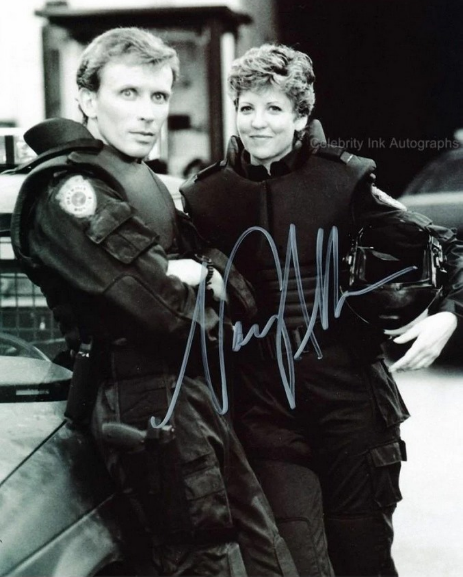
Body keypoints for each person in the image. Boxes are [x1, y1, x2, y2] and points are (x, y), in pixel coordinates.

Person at [10, 29, 299, 577]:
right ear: (88, 99)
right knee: (204, 558)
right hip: (143, 397)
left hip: (190, 390)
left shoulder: (140, 181)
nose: (148, 113)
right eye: (129, 93)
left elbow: (234, 286)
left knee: (262, 550)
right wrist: (189, 284)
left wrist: (195, 274)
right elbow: (164, 311)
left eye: (159, 96)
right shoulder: (69, 188)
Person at [181, 43, 463, 576]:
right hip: (266, 413)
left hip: (351, 408)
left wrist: (449, 314)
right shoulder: (205, 197)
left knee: (362, 561)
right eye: (246, 107)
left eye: (273, 108)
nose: (257, 122)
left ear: (300, 117)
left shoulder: (345, 180)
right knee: (300, 563)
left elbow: (448, 249)